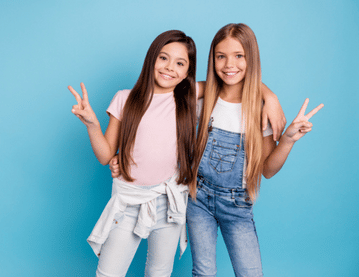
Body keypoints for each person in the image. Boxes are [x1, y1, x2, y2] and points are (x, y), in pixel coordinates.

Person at [70, 29, 284, 277]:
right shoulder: (124, 99)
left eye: (180, 63)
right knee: (108, 273)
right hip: (129, 201)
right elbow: (105, 155)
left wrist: (270, 96)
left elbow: (231, 78)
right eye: (163, 58)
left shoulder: (187, 97)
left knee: (159, 272)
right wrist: (92, 125)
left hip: (169, 202)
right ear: (151, 59)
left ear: (187, 73)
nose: (170, 67)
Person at [186, 23, 324, 277]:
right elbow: (167, 91)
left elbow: (268, 170)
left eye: (239, 56)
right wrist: (269, 92)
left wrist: (288, 140)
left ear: (252, 59)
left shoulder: (260, 109)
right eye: (221, 56)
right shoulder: (202, 98)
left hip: (237, 205)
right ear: (212, 59)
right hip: (198, 199)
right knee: (203, 272)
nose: (230, 64)